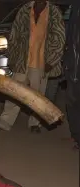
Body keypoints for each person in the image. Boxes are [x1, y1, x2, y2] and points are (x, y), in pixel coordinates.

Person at [0, 0, 66, 133]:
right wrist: (12, 57)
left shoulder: (54, 12)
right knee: (15, 92)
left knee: (38, 95)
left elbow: (59, 38)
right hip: (22, 60)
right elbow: (15, 34)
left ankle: (35, 123)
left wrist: (51, 61)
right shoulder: (25, 10)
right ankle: (5, 121)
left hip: (41, 62)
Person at [63, 1, 80, 149]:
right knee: (72, 103)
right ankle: (76, 136)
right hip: (74, 67)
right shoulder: (75, 7)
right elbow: (70, 40)